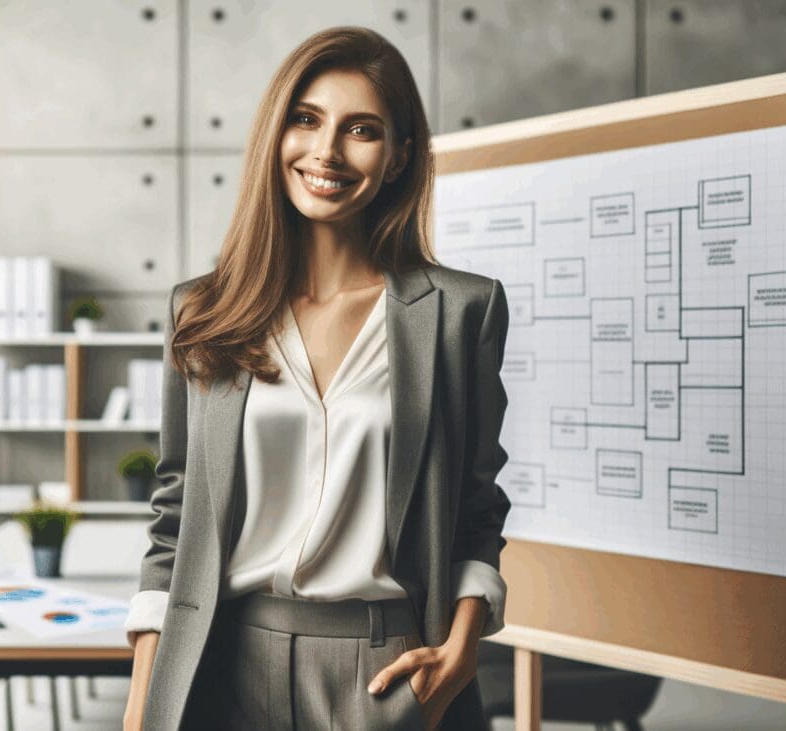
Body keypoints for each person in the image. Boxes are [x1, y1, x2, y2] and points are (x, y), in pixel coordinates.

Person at [123, 25, 512, 731]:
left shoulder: (462, 312)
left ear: (398, 157)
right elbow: (175, 519)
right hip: (226, 661)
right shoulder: (203, 311)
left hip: (392, 665)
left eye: (361, 129)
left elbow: (477, 507)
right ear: (275, 136)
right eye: (306, 120)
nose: (326, 151)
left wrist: (460, 650)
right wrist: (142, 705)